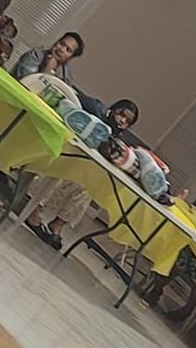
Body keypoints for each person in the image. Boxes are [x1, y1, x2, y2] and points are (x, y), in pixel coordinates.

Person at [26, 99, 140, 247]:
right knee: (61, 170)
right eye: (121, 114)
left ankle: (58, 224)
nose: (122, 120)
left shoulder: (118, 140)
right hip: (62, 152)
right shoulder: (94, 107)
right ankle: (34, 208)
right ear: (114, 108)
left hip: (82, 168)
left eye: (127, 121)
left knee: (88, 190)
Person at [14, 32, 84, 84]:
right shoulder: (34, 55)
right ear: (56, 42)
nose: (61, 49)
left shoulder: (67, 75)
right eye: (61, 43)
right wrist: (48, 69)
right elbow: (26, 84)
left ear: (70, 58)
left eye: (68, 50)